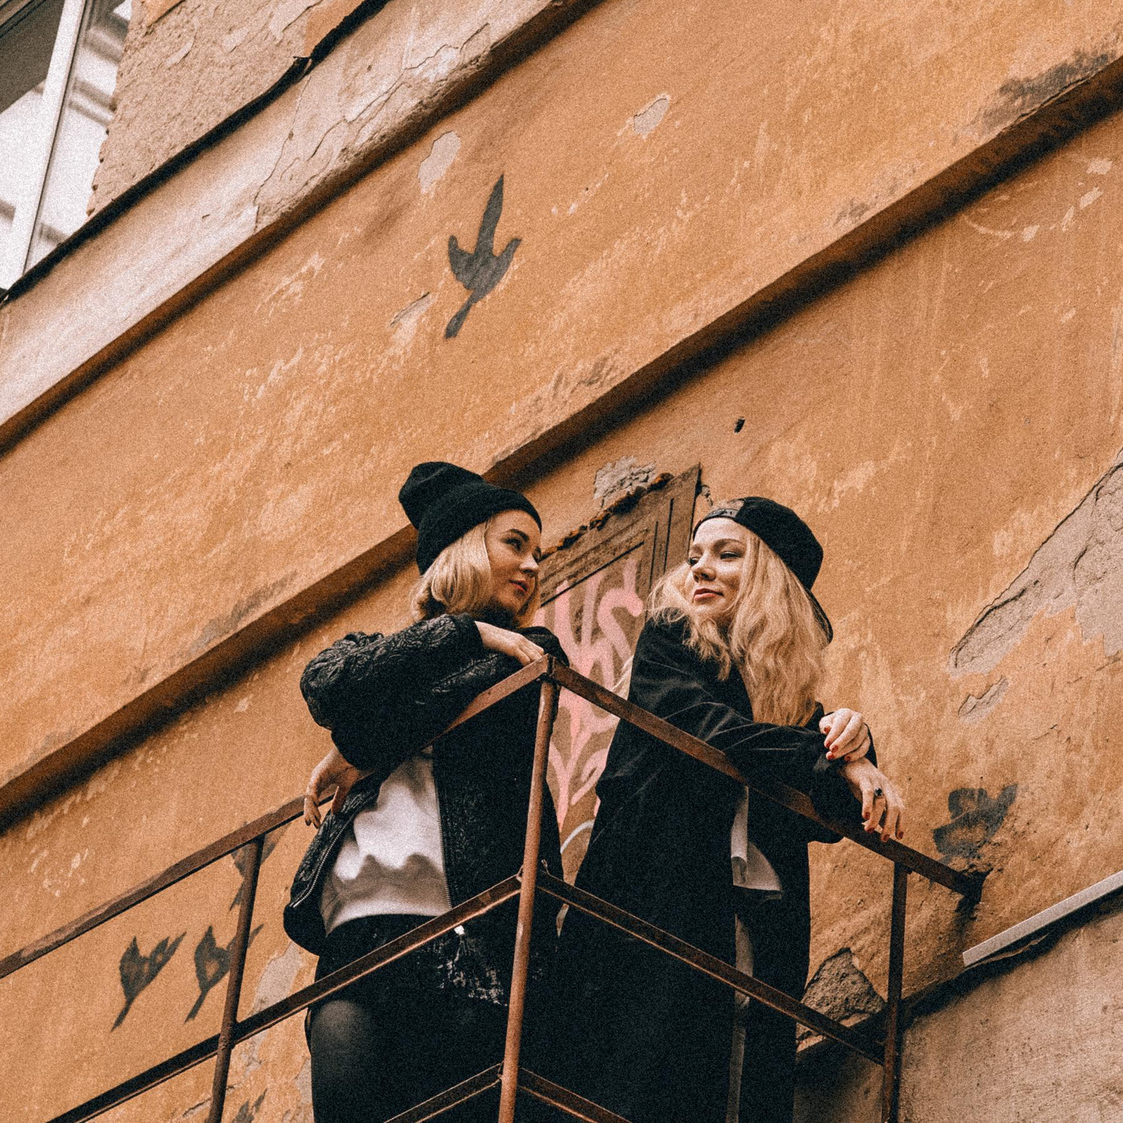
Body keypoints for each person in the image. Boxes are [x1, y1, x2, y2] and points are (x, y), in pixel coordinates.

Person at [553, 497, 905, 1123]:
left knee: (744, 1082)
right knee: (646, 1084)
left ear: (772, 579)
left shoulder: (791, 699)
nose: (700, 569)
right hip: (656, 907)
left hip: (754, 920)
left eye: (727, 554)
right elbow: (710, 731)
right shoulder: (668, 645)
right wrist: (841, 757)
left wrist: (854, 741)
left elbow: (825, 813)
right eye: (693, 557)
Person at [285, 461, 570, 1123]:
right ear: (465, 548)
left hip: (464, 932)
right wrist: (465, 629)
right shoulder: (390, 650)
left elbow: (464, 695)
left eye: (537, 551)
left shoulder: (533, 646)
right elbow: (325, 682)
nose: (533, 564)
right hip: (357, 931)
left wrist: (360, 747)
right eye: (515, 543)